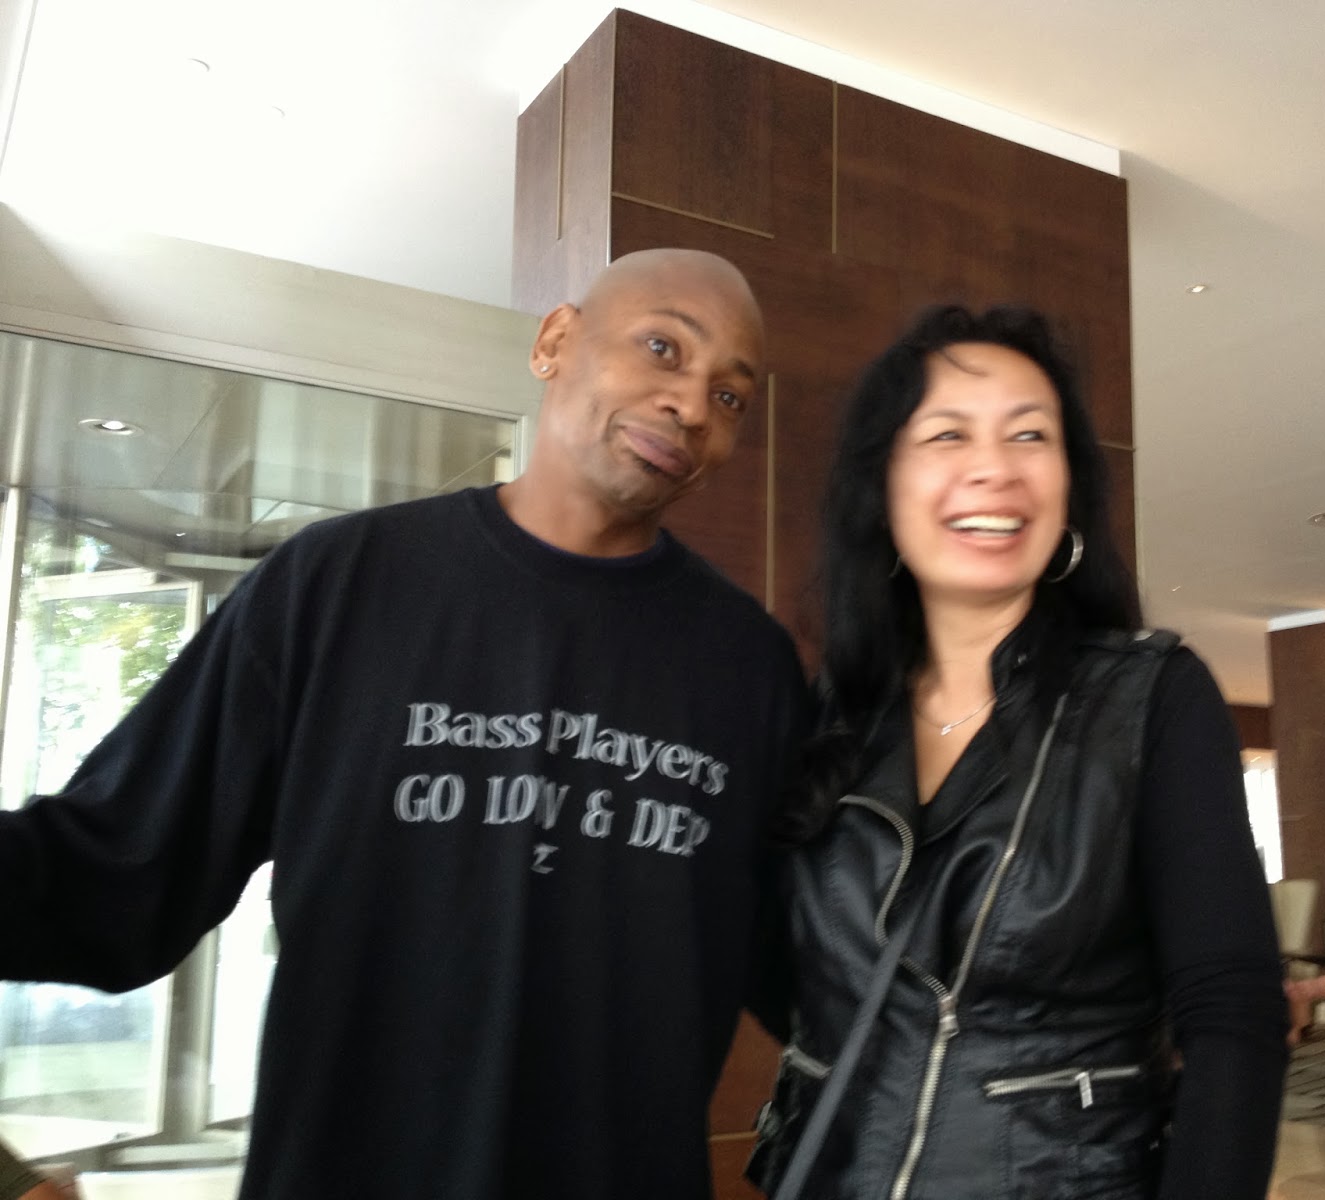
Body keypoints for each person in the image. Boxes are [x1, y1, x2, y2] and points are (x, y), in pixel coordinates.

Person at [0, 249, 809, 1198]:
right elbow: (113, 873)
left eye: (730, 396)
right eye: (663, 347)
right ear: (555, 341)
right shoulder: (335, 586)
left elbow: (818, 970)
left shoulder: (749, 668)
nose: (691, 405)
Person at [748, 305, 1288, 1200]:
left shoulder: (1152, 700)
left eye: (1030, 435)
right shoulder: (825, 718)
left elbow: (1233, 1013)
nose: (995, 467)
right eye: (948, 434)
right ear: (882, 484)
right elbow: (791, 984)